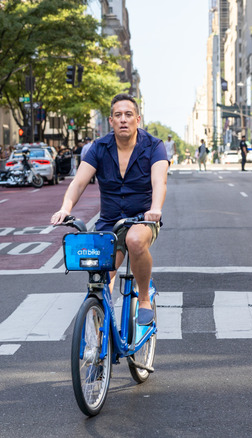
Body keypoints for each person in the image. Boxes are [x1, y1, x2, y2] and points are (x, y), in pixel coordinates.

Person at [50, 93, 168, 326]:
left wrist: (155, 208)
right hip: (109, 223)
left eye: (128, 115)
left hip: (142, 220)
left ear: (137, 119)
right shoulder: (99, 147)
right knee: (101, 278)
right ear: (111, 120)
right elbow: (79, 182)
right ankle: (101, 333)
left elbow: (159, 182)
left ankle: (143, 298)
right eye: (118, 115)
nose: (123, 119)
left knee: (134, 241)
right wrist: (65, 208)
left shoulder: (155, 146)